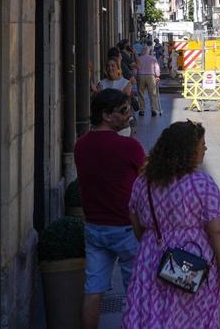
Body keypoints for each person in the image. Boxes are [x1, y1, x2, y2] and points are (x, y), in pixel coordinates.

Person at [124, 121, 220, 328]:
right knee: (192, 317)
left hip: (152, 258)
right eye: (202, 144)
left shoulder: (143, 181)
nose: (205, 148)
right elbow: (217, 229)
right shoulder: (201, 183)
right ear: (189, 152)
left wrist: (153, 241)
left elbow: (135, 220)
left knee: (152, 311)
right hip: (192, 259)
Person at [75, 89, 146, 329]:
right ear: (106, 115)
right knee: (136, 292)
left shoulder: (80, 146)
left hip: (94, 228)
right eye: (124, 111)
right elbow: (147, 180)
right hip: (126, 228)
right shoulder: (129, 147)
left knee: (93, 291)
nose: (129, 115)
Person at [136, 44, 163, 116]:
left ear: (143, 51)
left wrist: (136, 76)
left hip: (141, 76)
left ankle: (142, 110)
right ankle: (153, 109)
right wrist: (157, 76)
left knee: (141, 93)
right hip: (151, 76)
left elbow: (136, 68)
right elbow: (157, 68)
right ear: (148, 51)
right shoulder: (153, 58)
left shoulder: (139, 58)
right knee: (153, 94)